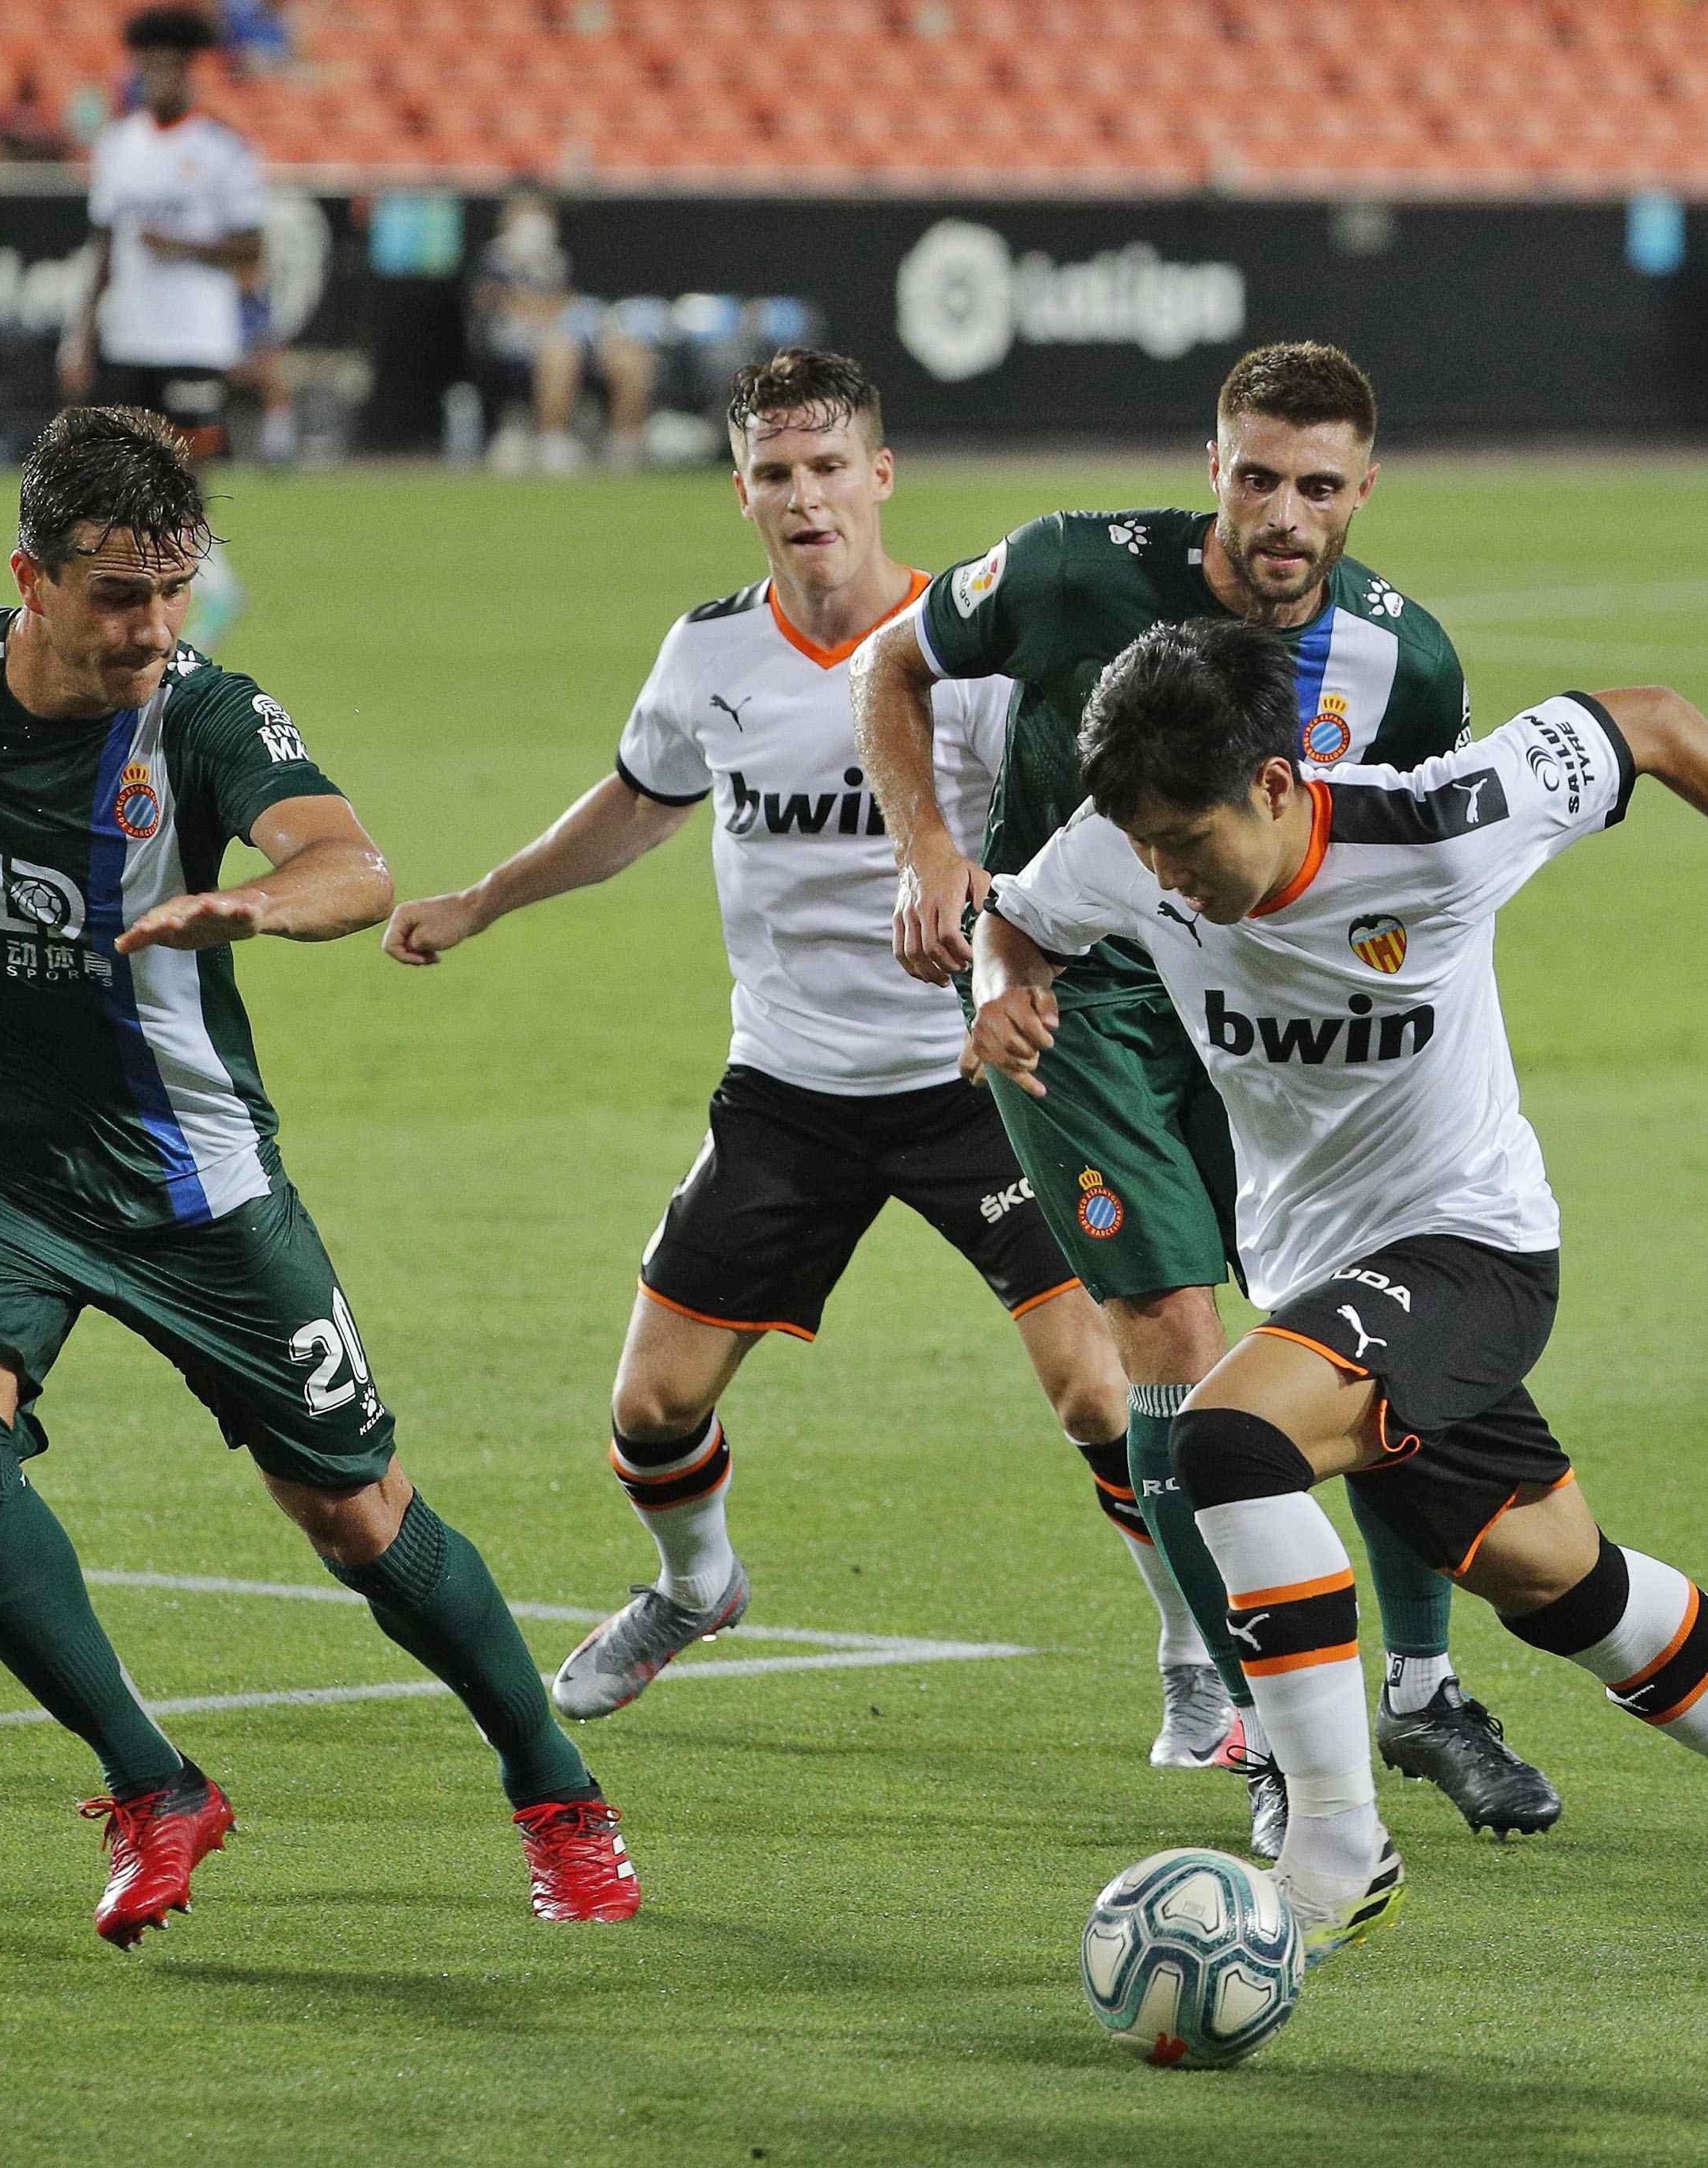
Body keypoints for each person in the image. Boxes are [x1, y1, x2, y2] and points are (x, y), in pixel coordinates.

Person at [0, 407, 642, 1941]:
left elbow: (349, 865)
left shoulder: (205, 718)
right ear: (29, 578)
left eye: (174, 587)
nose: (155, 626)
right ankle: (155, 1785)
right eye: (115, 594)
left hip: (189, 1186)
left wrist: (259, 909)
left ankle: (556, 1795)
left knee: (354, 1518)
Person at [967, 617, 1708, 1972]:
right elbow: (1018, 921)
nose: (1166, 873)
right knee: (1561, 1584)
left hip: (1472, 1247)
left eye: (1190, 842)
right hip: (1319, 1274)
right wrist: (1004, 991)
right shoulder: (1125, 845)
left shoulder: (1444, 823)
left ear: (1280, 786)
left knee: (1220, 1440)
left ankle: (1334, 1847)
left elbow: (1650, 712)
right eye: (1148, 848)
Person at [382, 350, 1208, 1755]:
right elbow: (639, 805)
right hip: (790, 1086)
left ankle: (1197, 1653)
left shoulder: (975, 647)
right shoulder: (711, 654)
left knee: (1099, 1387)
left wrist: (1004, 935)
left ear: (881, 477)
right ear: (743, 489)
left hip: (979, 1079)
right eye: (777, 473)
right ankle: (696, 1586)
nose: (805, 496)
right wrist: (485, 898)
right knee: (652, 1404)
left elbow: (1081, 838)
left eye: (831, 468)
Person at [852, 341, 1561, 1854]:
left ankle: (1425, 1690)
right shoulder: (1064, 569)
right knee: (1175, 1338)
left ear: (1365, 491)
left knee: (1355, 1335)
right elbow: (890, 664)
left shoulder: (1406, 660)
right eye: (1255, 477)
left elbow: (1411, 858)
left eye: (1317, 486)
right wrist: (932, 860)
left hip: (1279, 1010)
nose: (1282, 515)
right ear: (1213, 468)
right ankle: (1258, 1719)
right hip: (1083, 992)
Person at [62, 5, 262, 642]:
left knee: (183, 473)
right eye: (150, 67)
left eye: (173, 66)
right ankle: (177, 593)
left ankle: (212, 584)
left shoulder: (222, 151)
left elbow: (252, 250)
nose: (161, 78)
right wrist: (84, 334)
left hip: (195, 337)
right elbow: (104, 249)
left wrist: (179, 245)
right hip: (130, 335)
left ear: (190, 71)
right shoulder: (119, 147)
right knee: (120, 476)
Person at [467, 190, 658, 474]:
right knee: (560, 352)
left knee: (630, 356)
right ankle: (552, 440)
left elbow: (571, 303)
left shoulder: (557, 260)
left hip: (572, 334)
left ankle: (624, 443)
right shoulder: (496, 260)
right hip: (518, 344)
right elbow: (493, 303)